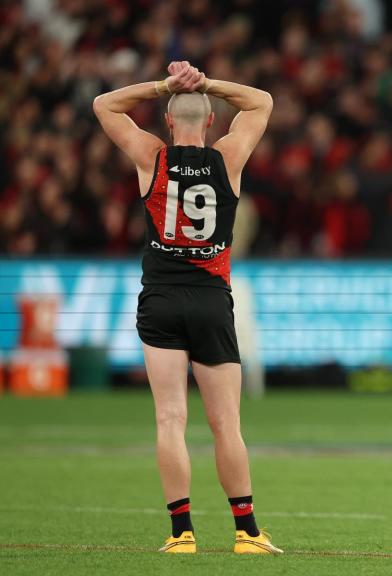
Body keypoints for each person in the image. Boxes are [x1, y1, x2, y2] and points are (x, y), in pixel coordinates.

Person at [93, 61, 280, 552]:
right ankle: (247, 531)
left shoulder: (150, 157)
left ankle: (181, 534)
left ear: (169, 122)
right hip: (211, 301)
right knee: (226, 424)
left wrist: (163, 86)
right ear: (213, 121)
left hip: (160, 299)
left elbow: (103, 105)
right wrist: (207, 83)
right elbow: (261, 100)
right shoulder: (229, 158)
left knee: (170, 419)